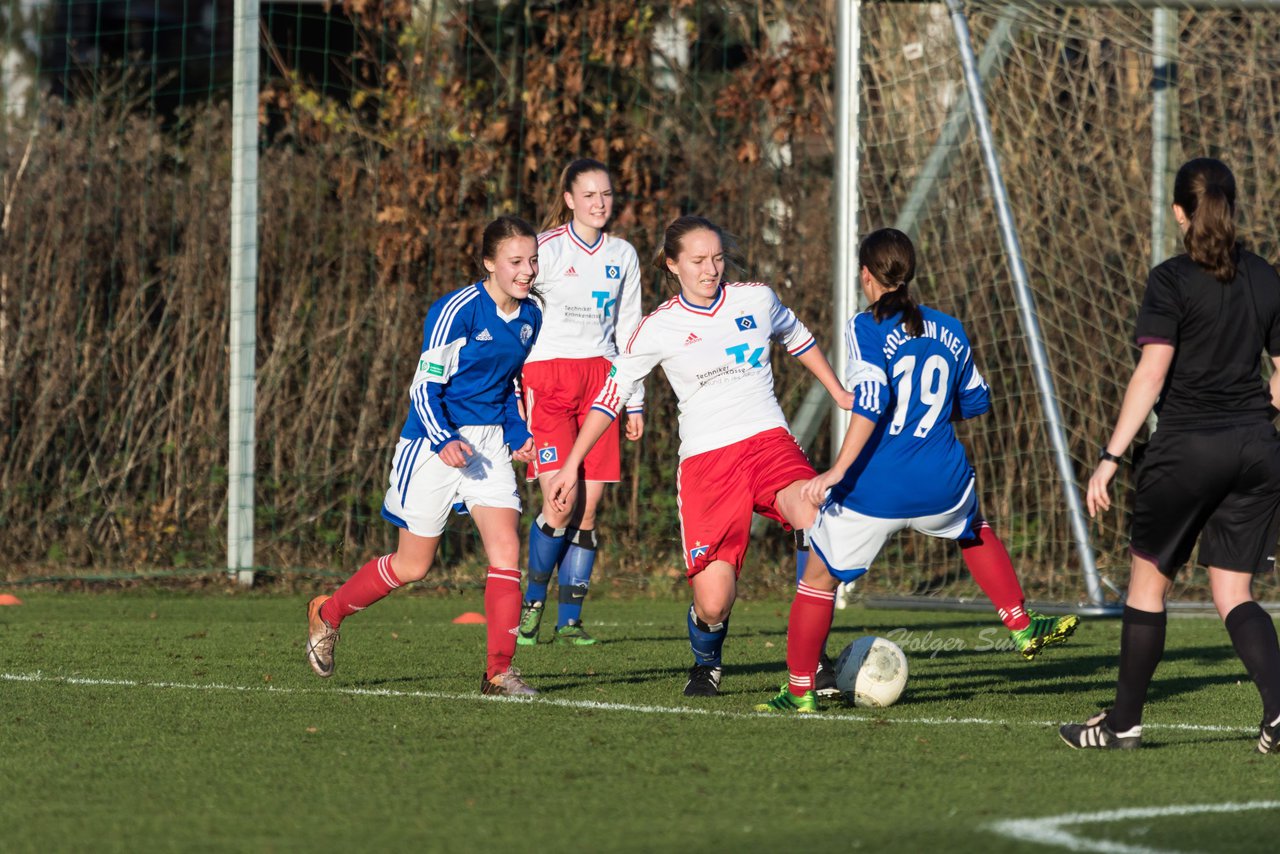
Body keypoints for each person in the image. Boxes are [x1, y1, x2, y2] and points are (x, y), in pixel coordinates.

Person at [756, 227, 1079, 714]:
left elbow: (870, 400)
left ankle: (800, 690)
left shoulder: (863, 326)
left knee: (818, 582)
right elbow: (976, 400)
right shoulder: (950, 326)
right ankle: (1019, 623)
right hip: (943, 482)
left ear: (866, 275)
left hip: (878, 487)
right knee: (972, 527)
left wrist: (836, 471)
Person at [545, 215, 853, 697]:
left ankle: (812, 657)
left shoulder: (756, 297)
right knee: (713, 604)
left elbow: (796, 335)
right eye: (697, 261)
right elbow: (612, 396)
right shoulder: (657, 328)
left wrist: (837, 390)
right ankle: (706, 663)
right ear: (672, 265)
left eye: (717, 258)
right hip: (708, 465)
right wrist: (571, 463)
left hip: (769, 443)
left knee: (816, 515)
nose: (711, 269)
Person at [1060, 158, 1280, 753]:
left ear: (1180, 212)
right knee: (1235, 593)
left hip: (1186, 448)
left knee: (1147, 586)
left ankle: (1123, 724)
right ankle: (1278, 713)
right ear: (1233, 208)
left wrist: (1109, 457)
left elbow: (1151, 374)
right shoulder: (1267, 277)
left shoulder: (1170, 280)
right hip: (1258, 449)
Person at [305, 215, 545, 697]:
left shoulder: (531, 316)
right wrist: (443, 439)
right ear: (489, 263)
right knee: (413, 567)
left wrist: (519, 433)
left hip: (489, 445)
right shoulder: (456, 310)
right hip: (434, 443)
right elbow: (425, 386)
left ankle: (499, 673)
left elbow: (510, 384)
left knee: (506, 552)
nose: (527, 271)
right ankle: (327, 614)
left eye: (533, 260)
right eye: (516, 262)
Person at [516, 159, 645, 647]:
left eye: (607, 194)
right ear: (569, 199)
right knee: (560, 501)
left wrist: (634, 400)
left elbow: (632, 331)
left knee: (589, 511)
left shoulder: (624, 255)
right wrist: (515, 390)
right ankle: (532, 603)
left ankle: (569, 620)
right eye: (589, 195)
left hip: (603, 381)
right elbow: (516, 311)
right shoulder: (543, 250)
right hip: (547, 377)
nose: (599, 203)